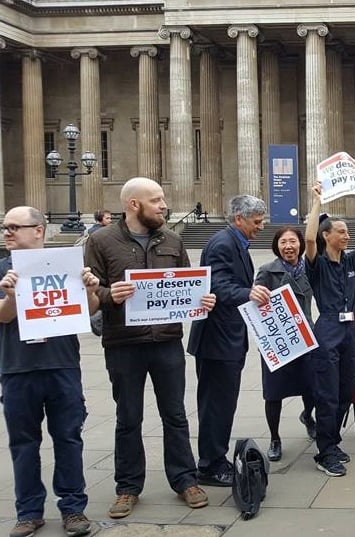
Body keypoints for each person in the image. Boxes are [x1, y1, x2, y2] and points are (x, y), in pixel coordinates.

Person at [86, 177, 213, 518]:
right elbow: (90, 293)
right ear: (133, 205)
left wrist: (203, 299)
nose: (163, 204)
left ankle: (185, 479)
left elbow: (188, 284)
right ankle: (127, 487)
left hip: (167, 341)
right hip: (123, 344)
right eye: (156, 200)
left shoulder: (172, 239)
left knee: (175, 416)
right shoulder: (100, 241)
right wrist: (109, 294)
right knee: (128, 418)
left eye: (162, 199)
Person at [0, 206, 98, 537]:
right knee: (23, 443)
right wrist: (12, 296)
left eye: (15, 227)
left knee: (69, 438)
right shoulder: (2, 270)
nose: (7, 232)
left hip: (62, 366)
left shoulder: (66, 266)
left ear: (39, 230)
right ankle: (28, 512)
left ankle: (73, 509)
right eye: (5, 227)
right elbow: (2, 317)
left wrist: (89, 289)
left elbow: (91, 308)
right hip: (17, 369)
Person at [188, 194, 268, 487]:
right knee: (215, 405)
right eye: (257, 222)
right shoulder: (222, 244)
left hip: (228, 339)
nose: (261, 227)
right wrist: (248, 293)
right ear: (239, 219)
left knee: (223, 403)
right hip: (216, 342)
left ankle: (215, 458)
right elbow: (218, 286)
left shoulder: (237, 243)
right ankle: (209, 465)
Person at [305, 182, 355, 477]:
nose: (347, 235)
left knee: (346, 390)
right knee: (328, 393)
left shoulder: (352, 261)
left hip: (352, 329)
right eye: (341, 231)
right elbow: (309, 239)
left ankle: (332, 442)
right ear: (328, 236)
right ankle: (324, 451)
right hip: (327, 327)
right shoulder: (316, 263)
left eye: (347, 232)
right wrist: (316, 202)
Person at [254, 226, 317, 461]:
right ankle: (275, 438)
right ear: (277, 246)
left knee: (311, 387)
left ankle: (308, 416)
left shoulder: (310, 270)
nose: (288, 246)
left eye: (292, 241)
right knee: (274, 393)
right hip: (277, 339)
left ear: (300, 244)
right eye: (283, 242)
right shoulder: (267, 271)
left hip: (305, 336)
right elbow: (255, 303)